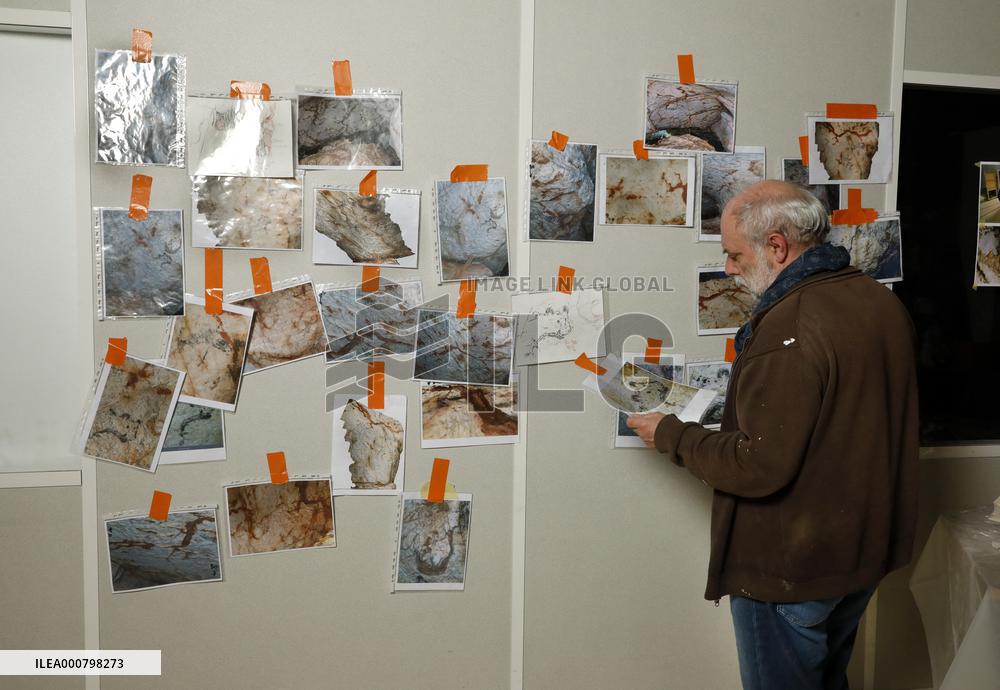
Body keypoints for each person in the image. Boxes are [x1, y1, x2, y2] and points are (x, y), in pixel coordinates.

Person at [627, 180, 918, 690]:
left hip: (793, 571)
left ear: (778, 246)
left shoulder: (792, 326)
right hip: (857, 560)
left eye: (735, 255)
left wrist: (670, 433)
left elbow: (758, 465)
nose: (730, 269)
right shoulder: (879, 302)